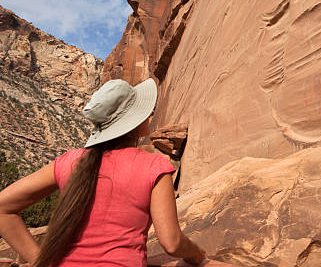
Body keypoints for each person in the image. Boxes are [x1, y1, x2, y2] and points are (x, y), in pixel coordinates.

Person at [0, 78, 207, 266]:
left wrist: (40, 263)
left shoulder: (71, 161)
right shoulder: (153, 165)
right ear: (137, 121)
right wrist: (199, 256)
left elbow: (3, 207)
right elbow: (172, 243)